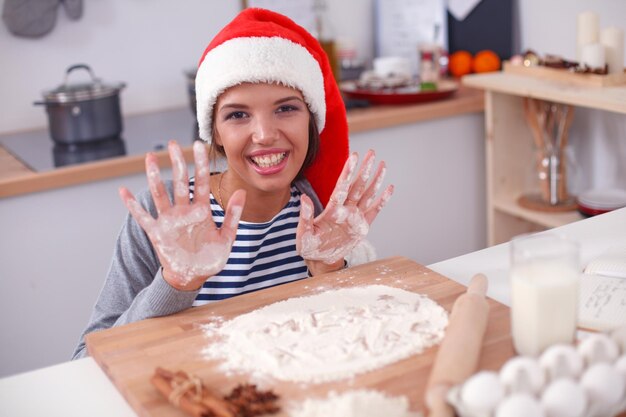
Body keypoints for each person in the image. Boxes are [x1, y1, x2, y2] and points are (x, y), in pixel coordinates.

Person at [72, 8, 393, 359]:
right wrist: (176, 282)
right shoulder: (165, 217)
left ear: (311, 121)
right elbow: (85, 360)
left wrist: (330, 270)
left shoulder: (319, 211)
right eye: (238, 115)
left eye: (286, 109)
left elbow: (363, 336)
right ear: (216, 133)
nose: (265, 134)